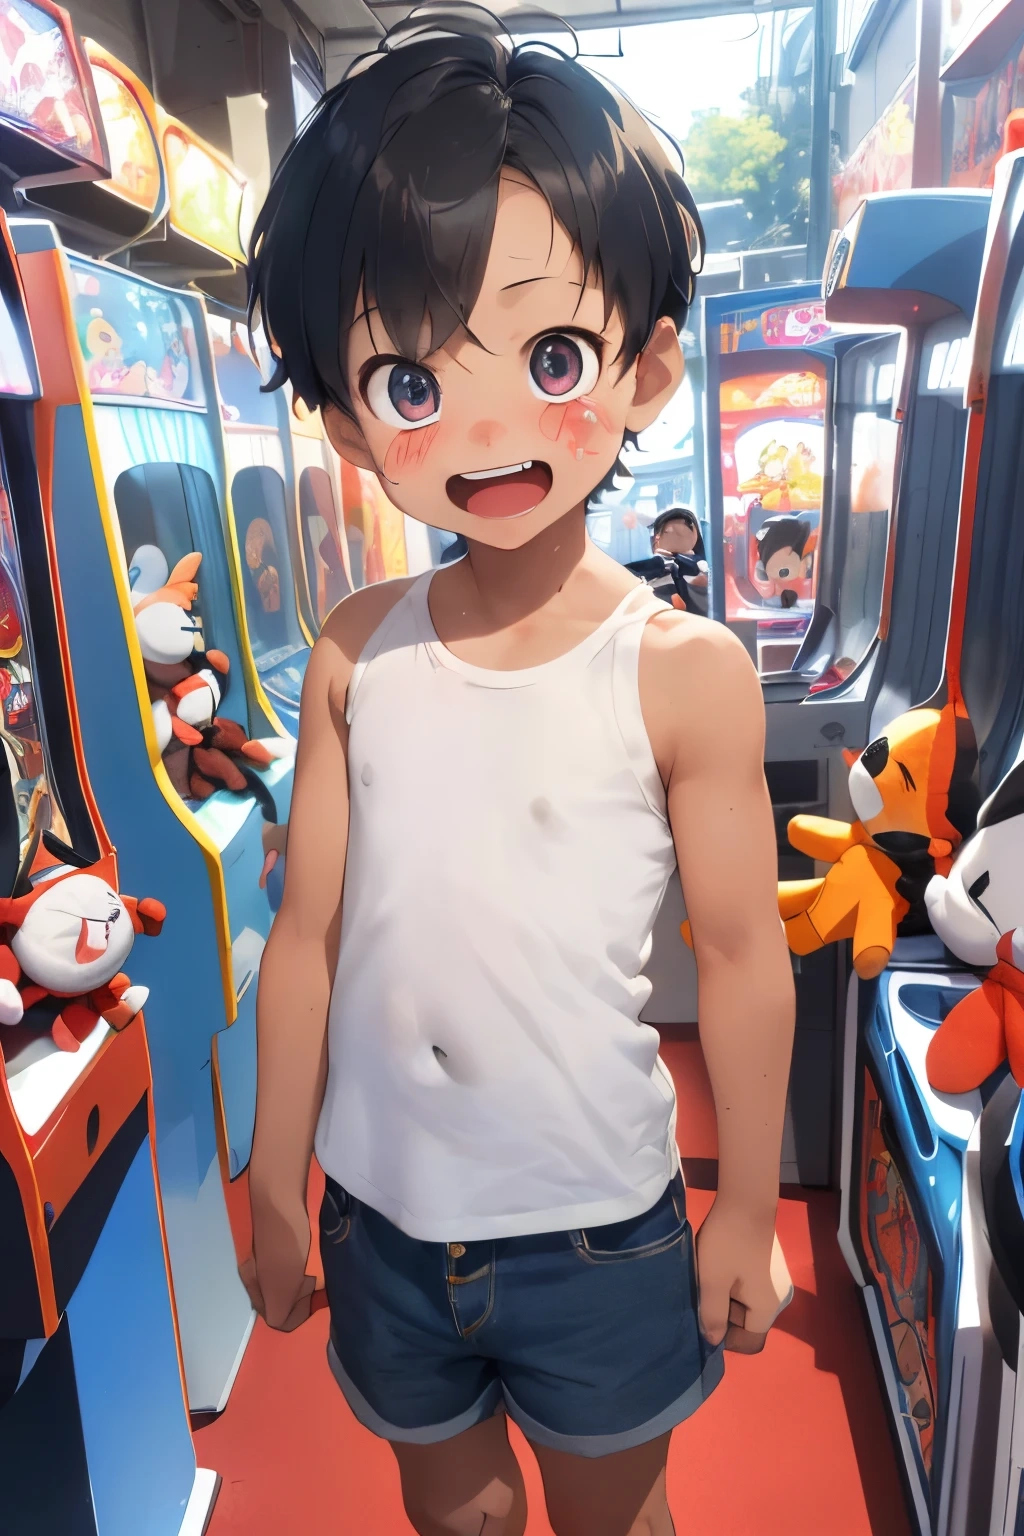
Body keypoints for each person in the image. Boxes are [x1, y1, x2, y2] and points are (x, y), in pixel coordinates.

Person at [245, 10, 795, 1536]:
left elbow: (743, 954)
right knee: (457, 1518)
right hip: (381, 1220)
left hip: (599, 1230)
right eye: (409, 383)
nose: (481, 424)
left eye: (552, 354)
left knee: (620, 1521)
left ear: (648, 369)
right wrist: (277, 1176)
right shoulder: (355, 651)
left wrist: (748, 1204)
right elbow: (306, 939)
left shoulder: (681, 668)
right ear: (349, 422)